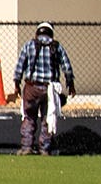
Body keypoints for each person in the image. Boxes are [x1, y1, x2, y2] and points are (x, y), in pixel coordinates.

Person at [12, 22, 75, 154]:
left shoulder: (29, 45)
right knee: (47, 118)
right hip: (49, 89)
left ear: (37, 33)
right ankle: (45, 148)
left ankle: (26, 147)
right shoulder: (56, 46)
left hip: (31, 87)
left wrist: (16, 84)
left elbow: (20, 65)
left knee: (29, 117)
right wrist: (70, 84)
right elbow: (66, 66)